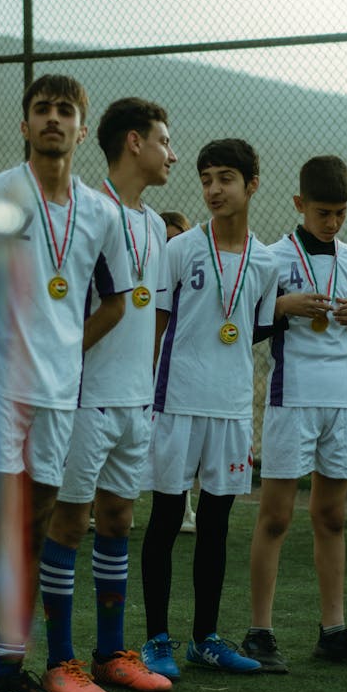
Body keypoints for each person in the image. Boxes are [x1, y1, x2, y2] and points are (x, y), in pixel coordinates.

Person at [0, 74, 132, 692]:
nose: (53, 119)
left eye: (65, 111)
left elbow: (115, 301)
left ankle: (10, 670)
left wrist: (65, 349)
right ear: (24, 125)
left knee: (33, 531)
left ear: (82, 130)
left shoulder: (102, 213)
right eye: (42, 110)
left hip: (59, 397)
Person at [38, 98, 176, 692]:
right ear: (133, 143)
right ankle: (59, 662)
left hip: (134, 402)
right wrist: (65, 365)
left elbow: (150, 314)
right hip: (86, 398)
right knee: (69, 524)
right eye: (164, 141)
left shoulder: (155, 225)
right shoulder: (90, 213)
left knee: (118, 519)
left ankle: (112, 654)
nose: (172, 154)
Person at [140, 138, 279, 678]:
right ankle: (156, 639)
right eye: (206, 180)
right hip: (177, 402)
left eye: (225, 178)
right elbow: (156, 327)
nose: (214, 190)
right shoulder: (180, 250)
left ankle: (205, 639)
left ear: (252, 185)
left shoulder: (264, 262)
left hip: (231, 409)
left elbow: (253, 331)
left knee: (217, 524)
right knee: (166, 518)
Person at [241, 155, 347, 673]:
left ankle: (334, 630)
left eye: (341, 213)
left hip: (341, 401)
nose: (333, 222)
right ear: (300, 204)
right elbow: (248, 325)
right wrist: (281, 307)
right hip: (292, 397)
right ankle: (259, 632)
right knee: (276, 516)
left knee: (331, 516)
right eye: (323, 212)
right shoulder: (273, 257)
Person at [159, 211, 196, 534]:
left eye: (176, 239)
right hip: (149, 364)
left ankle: (185, 509)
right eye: (164, 240)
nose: (170, 245)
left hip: (181, 369)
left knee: (181, 445)